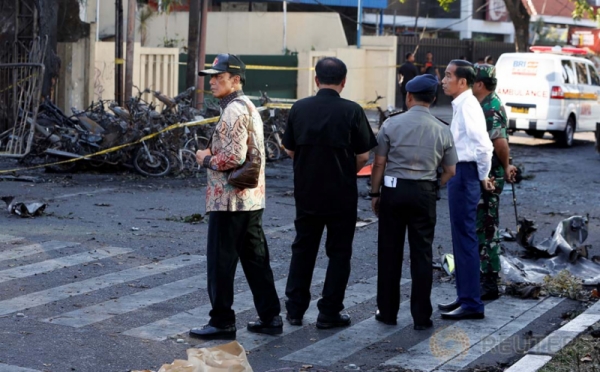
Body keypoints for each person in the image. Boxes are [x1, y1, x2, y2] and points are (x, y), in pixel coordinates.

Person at [191, 53, 282, 340]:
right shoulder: (247, 106)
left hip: (229, 200)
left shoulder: (233, 110)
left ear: (236, 79)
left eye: (219, 77)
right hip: (251, 199)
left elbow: (233, 156)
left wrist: (205, 159)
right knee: (255, 259)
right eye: (212, 77)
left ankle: (222, 322)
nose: (213, 82)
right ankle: (270, 317)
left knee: (220, 261)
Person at [282, 57, 378, 329]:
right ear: (343, 82)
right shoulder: (352, 111)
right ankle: (329, 312)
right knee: (339, 253)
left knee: (303, 249)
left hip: (307, 191)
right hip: (341, 193)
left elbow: (289, 150)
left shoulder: (299, 108)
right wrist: (345, 167)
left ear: (316, 80)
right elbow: (363, 156)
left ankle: (294, 310)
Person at [370, 74, 457, 330]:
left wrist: (375, 194)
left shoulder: (391, 125)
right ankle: (421, 316)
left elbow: (378, 163)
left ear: (409, 97)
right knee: (422, 254)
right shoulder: (443, 128)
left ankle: (387, 312)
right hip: (424, 192)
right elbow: (450, 171)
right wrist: (430, 185)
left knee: (389, 253)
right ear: (433, 99)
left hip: (393, 191)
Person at [439, 59, 494, 320]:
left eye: (449, 76)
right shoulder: (462, 104)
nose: (444, 80)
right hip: (461, 173)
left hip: (466, 173)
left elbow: (484, 146)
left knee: (465, 239)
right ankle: (464, 297)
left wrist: (482, 176)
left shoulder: (469, 105)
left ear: (463, 81)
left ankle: (472, 303)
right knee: (460, 239)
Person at [472, 64, 517, 300]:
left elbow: (499, 143)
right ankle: (484, 275)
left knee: (487, 226)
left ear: (479, 84)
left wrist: (507, 164)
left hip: (490, 175)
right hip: (487, 172)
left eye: (472, 81)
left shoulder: (490, 108)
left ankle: (489, 281)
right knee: (483, 223)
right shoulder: (486, 103)